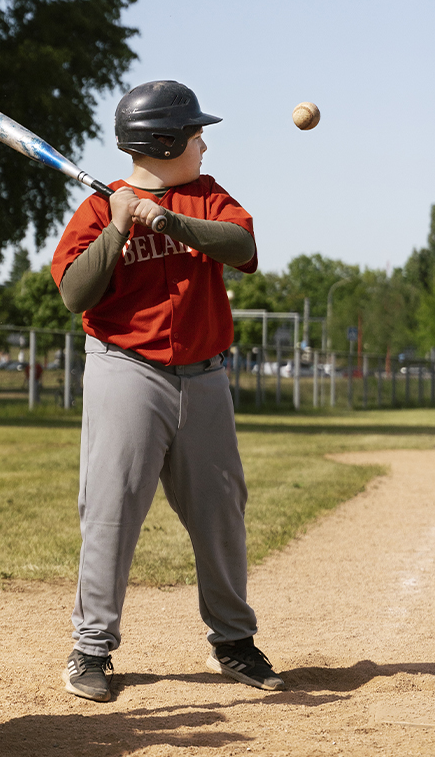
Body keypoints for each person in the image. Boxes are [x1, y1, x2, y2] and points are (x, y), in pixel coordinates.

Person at [50, 80, 284, 702]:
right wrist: (119, 227)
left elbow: (243, 246)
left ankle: (233, 642)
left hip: (205, 374)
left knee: (221, 511)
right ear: (164, 141)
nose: (203, 142)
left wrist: (171, 220)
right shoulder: (102, 209)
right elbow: (76, 293)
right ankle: (91, 649)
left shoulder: (208, 198)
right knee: (110, 511)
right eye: (194, 133)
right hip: (125, 370)